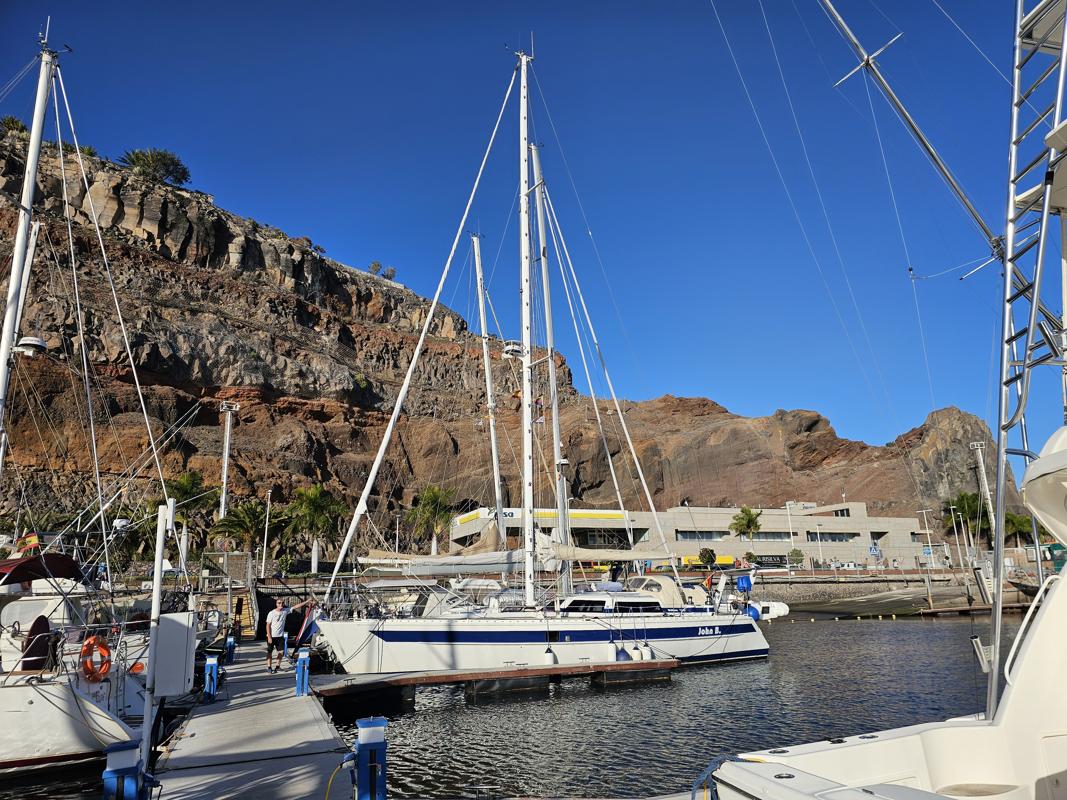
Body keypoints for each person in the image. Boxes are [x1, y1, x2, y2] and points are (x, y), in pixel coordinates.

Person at [266, 596, 313, 673]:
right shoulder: (271, 613)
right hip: (272, 636)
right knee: (269, 652)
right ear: (276, 604)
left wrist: (307, 601)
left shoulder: (285, 611)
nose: (281, 604)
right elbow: (267, 625)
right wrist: (269, 637)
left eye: (282, 603)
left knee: (281, 652)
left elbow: (296, 606)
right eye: (279, 603)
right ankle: (269, 667)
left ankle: (277, 666)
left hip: (280, 636)